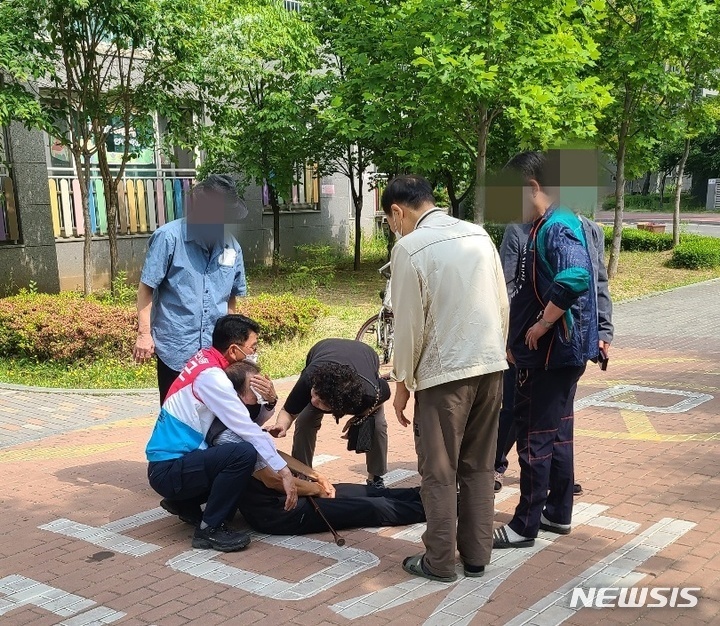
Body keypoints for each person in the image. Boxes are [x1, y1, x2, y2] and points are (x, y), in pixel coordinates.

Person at [383, 174, 509, 583]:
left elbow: (409, 326)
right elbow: (501, 303)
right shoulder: (478, 235)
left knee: (439, 472)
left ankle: (439, 562)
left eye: (390, 220)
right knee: (479, 466)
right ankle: (476, 557)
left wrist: (402, 387)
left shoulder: (409, 247)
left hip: (444, 375)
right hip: (490, 366)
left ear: (398, 211)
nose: (394, 227)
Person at [493, 151, 598, 549]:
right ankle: (558, 512)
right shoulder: (548, 223)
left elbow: (576, 277)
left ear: (533, 187)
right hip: (559, 355)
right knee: (558, 434)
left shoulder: (556, 226)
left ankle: (524, 526)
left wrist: (542, 322)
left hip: (551, 355)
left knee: (534, 438)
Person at [207, 360, 426, 536]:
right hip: (276, 511)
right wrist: (316, 490)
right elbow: (272, 480)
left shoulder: (242, 421)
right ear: (235, 396)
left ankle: (432, 496)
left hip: (290, 493)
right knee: (369, 507)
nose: (262, 395)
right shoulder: (227, 434)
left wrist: (316, 476)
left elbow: (271, 453)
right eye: (256, 390)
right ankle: (441, 509)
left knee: (369, 491)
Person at [145, 315, 297, 552]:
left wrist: (270, 401)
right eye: (253, 348)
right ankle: (209, 529)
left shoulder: (206, 360)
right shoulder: (212, 378)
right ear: (235, 350)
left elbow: (245, 418)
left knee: (233, 451)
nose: (255, 353)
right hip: (169, 469)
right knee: (242, 455)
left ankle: (185, 503)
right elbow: (246, 428)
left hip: (171, 464)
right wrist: (284, 472)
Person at [133, 174, 249, 404]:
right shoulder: (169, 238)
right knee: (175, 417)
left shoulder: (232, 247)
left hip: (215, 352)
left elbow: (231, 301)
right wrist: (144, 334)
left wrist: (237, 342)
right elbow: (146, 289)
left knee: (211, 416)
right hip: (176, 348)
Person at [268, 339, 391, 488]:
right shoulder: (310, 379)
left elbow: (386, 392)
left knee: (377, 425)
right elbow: (288, 411)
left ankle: (375, 477)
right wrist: (281, 425)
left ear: (339, 406)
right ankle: (302, 474)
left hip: (365, 356)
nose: (314, 401)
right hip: (324, 349)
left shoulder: (370, 394)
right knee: (305, 420)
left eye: (321, 402)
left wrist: (360, 418)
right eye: (313, 395)